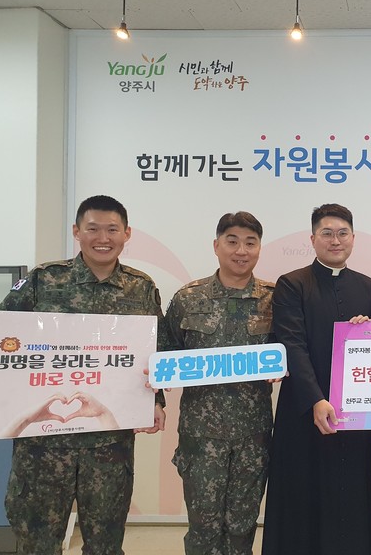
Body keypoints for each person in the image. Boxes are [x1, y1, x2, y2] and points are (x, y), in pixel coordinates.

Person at [0, 195, 166, 555]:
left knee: (105, 544)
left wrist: (156, 400)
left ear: (126, 233)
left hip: (109, 443)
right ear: (77, 231)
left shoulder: (141, 287)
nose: (102, 238)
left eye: (112, 229)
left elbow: (155, 350)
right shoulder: (44, 279)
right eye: (92, 229)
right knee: (37, 543)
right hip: (43, 444)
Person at [261, 204, 371, 555]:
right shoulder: (292, 284)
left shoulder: (368, 286)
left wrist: (369, 331)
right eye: (327, 233)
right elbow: (292, 344)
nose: (335, 240)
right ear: (313, 239)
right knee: (303, 496)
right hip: (303, 410)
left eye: (342, 233)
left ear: (353, 238)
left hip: (354, 413)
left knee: (352, 495)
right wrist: (316, 399)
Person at [164, 211, 275, 555]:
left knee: (242, 527)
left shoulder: (275, 299)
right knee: (203, 527)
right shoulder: (188, 298)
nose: (241, 250)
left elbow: (296, 348)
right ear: (216, 246)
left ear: (259, 248)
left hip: (253, 436)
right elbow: (164, 351)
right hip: (201, 437)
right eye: (232, 241)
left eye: (250, 242)